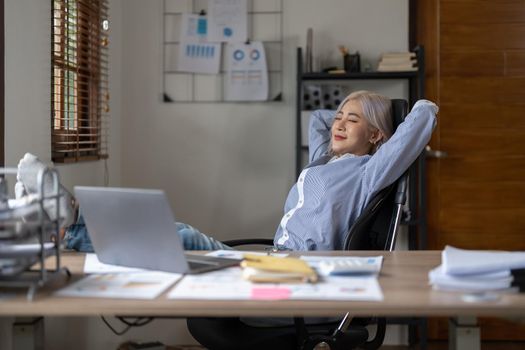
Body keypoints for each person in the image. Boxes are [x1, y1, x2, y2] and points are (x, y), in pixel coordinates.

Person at [16, 91, 437, 252]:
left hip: (303, 271)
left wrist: (410, 109)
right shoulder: (323, 164)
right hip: (277, 261)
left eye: (354, 120)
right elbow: (321, 122)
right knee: (175, 233)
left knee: (179, 238)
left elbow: (414, 131)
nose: (339, 124)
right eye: (341, 116)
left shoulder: (368, 172)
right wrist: (354, 112)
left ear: (379, 136)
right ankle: (68, 219)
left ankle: (68, 219)